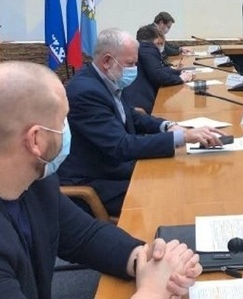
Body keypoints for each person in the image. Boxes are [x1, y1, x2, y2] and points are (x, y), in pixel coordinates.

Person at [0, 61, 202, 299]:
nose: (67, 128)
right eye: (63, 120)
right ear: (36, 140)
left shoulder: (37, 183)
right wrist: (152, 291)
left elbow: (84, 236)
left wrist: (144, 259)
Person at [58, 29, 222, 216]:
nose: (134, 69)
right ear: (107, 61)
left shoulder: (108, 79)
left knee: (180, 175)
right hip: (95, 181)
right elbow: (121, 145)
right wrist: (182, 137)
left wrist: (168, 126)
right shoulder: (86, 92)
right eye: (130, 64)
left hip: (115, 168)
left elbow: (132, 116)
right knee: (173, 193)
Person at [125, 25, 194, 114]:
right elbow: (157, 74)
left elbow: (159, 69)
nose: (161, 46)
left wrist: (179, 72)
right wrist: (180, 79)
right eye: (160, 43)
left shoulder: (141, 48)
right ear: (157, 39)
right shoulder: (147, 48)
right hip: (141, 103)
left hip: (135, 99)